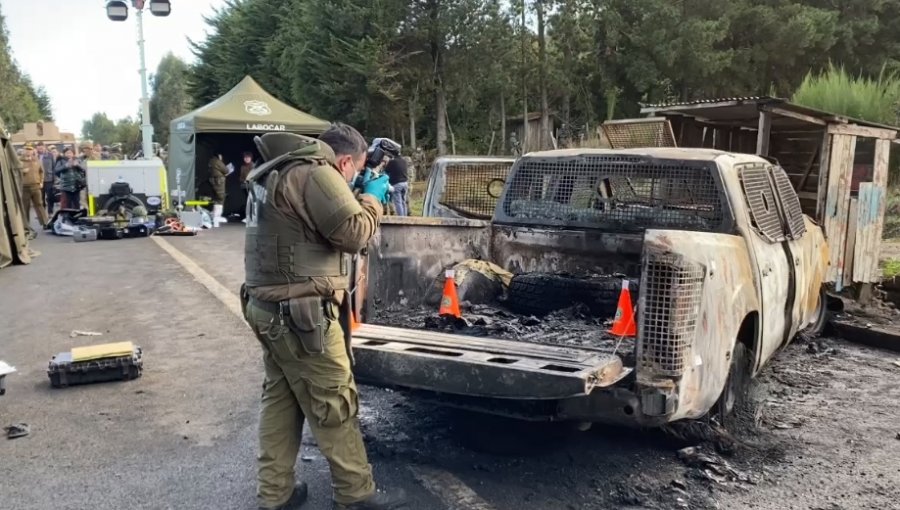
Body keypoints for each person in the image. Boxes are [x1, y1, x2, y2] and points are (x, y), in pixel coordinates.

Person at [241, 123, 406, 510]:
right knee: (334, 401)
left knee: (281, 401)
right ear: (345, 160)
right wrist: (372, 198)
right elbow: (353, 234)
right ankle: (355, 495)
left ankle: (275, 494)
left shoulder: (278, 170)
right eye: (352, 170)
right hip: (303, 315)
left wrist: (353, 190)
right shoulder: (317, 173)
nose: (347, 177)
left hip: (268, 308)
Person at [20, 145, 50, 233]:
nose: (28, 151)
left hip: (36, 186)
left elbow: (41, 172)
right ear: (24, 151)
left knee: (39, 204)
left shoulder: (37, 160)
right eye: (27, 149)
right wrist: (22, 171)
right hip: (24, 187)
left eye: (30, 150)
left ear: (33, 151)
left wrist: (41, 181)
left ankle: (45, 223)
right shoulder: (19, 161)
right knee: (25, 206)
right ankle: (26, 226)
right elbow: (14, 172)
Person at [35, 142, 56, 215]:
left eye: (41, 148)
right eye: (39, 148)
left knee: (50, 197)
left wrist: (54, 179)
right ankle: (42, 213)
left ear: (44, 147)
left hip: (49, 179)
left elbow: (54, 167)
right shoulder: (35, 156)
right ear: (36, 148)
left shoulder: (50, 155)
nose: (40, 149)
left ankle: (50, 212)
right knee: (40, 198)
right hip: (38, 180)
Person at [208, 153, 228, 225]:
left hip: (213, 181)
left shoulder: (211, 161)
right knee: (220, 198)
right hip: (219, 181)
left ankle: (214, 215)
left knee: (216, 198)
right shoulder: (217, 161)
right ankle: (217, 216)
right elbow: (226, 170)